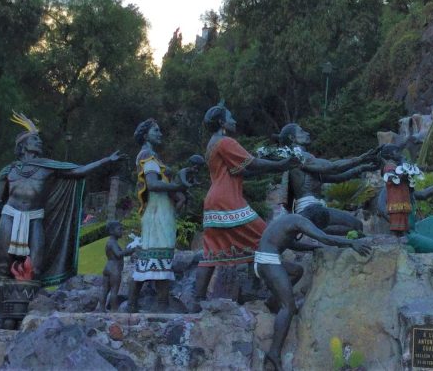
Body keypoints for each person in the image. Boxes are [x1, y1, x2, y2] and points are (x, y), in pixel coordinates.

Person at [0, 112, 123, 328]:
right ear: (23, 146)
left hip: (34, 219)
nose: (39, 142)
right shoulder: (9, 171)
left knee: (36, 267)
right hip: (9, 217)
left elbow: (79, 171)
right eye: (35, 139)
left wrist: (106, 160)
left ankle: (24, 312)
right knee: (3, 268)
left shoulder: (48, 167)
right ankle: (3, 314)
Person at [192, 104, 301, 305]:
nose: (235, 121)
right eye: (231, 117)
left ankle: (197, 301)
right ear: (221, 122)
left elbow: (244, 170)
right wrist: (280, 164)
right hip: (228, 200)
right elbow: (253, 164)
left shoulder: (212, 144)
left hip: (213, 200)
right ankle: (272, 288)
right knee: (266, 237)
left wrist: (272, 166)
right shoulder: (226, 142)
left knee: (212, 252)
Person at [256, 206, 371, 371]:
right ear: (314, 221)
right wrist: (351, 243)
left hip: (263, 259)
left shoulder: (290, 219)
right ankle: (274, 353)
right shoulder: (300, 221)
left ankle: (272, 301)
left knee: (297, 271)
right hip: (268, 261)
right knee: (289, 307)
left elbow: (291, 244)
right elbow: (324, 238)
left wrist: (313, 248)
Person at [128, 118, 196, 313]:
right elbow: (153, 185)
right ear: (145, 134)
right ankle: (160, 305)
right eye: (156, 130)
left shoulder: (153, 156)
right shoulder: (147, 154)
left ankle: (139, 304)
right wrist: (177, 187)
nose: (160, 133)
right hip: (156, 213)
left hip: (161, 211)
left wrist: (178, 194)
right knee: (157, 256)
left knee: (156, 257)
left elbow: (161, 184)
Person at [273, 123, 378, 235]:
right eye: (302, 131)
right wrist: (360, 159)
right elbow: (333, 167)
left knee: (354, 227)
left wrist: (361, 168)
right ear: (292, 138)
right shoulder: (300, 156)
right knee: (356, 226)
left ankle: (308, 232)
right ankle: (308, 232)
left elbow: (337, 177)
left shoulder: (299, 159)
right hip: (310, 208)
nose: (307, 133)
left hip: (308, 208)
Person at [376, 143, 433, 236]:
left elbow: (423, 195)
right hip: (406, 234)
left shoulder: (404, 187)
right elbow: (381, 207)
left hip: (413, 230)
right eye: (397, 152)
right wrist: (395, 222)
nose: (401, 154)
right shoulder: (391, 187)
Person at [96, 221, 135, 312]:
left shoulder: (110, 242)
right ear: (112, 231)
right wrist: (130, 251)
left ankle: (101, 309)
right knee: (114, 290)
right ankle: (114, 310)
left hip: (108, 267)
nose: (122, 231)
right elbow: (118, 254)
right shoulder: (112, 242)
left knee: (105, 290)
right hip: (114, 269)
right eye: (120, 229)